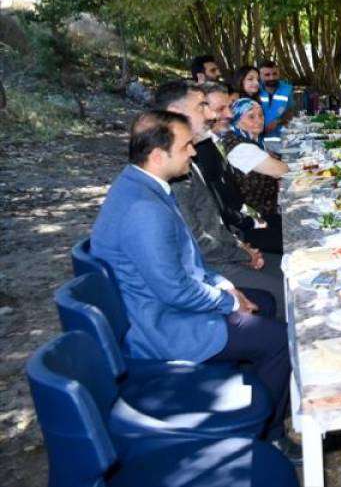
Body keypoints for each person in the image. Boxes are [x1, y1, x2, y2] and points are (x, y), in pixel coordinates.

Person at [89, 111, 294, 452]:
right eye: (186, 147)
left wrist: (225, 286)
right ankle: (265, 434)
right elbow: (175, 290)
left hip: (164, 304)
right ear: (158, 156)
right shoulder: (144, 209)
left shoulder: (139, 185)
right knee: (282, 340)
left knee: (266, 302)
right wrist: (228, 300)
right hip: (163, 327)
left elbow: (186, 263)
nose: (194, 152)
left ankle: (248, 389)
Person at [176, 82, 286, 315]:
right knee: (289, 289)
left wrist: (239, 244)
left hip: (232, 239)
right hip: (214, 265)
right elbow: (199, 240)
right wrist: (242, 250)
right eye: (206, 108)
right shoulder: (181, 169)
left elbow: (218, 214)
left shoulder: (206, 149)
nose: (227, 113)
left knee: (293, 269)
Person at [221, 98, 289, 237]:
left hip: (267, 210)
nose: (259, 120)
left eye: (261, 115)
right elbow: (281, 171)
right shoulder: (241, 148)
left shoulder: (250, 139)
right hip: (258, 221)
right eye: (251, 116)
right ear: (237, 120)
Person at [256, 60, 293, 135]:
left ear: (279, 74)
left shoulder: (287, 89)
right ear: (260, 76)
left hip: (281, 137)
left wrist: (277, 121)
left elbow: (290, 112)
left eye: (274, 74)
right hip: (258, 137)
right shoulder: (255, 90)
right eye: (267, 75)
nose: (271, 78)